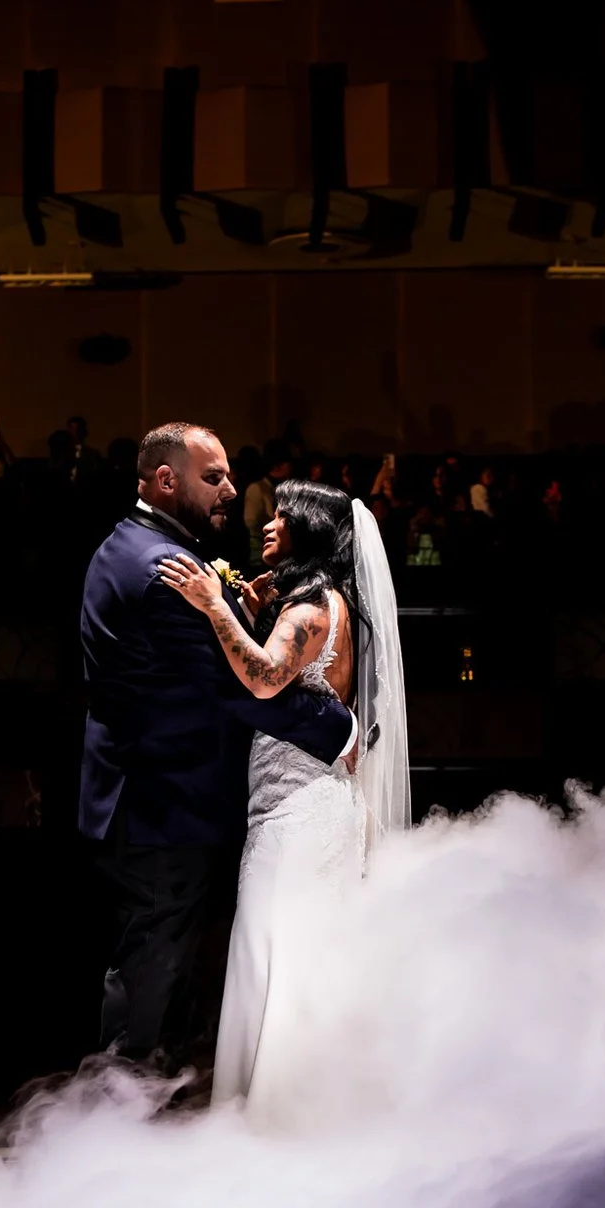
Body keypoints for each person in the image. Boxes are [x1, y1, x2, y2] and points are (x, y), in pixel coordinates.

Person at [76, 423, 358, 1077]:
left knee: (163, 976)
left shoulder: (133, 545)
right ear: (166, 479)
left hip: (149, 797)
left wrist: (235, 607)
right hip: (162, 807)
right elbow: (240, 690)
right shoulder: (163, 570)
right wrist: (335, 729)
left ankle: (133, 1121)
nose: (232, 490)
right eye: (215, 478)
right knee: (147, 989)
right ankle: (105, 1136)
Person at [157, 478, 409, 1118]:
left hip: (301, 813)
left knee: (281, 954)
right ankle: (299, 1109)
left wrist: (215, 607)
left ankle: (284, 1117)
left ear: (310, 531)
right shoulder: (322, 601)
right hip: (304, 805)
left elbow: (266, 679)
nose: (267, 525)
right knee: (293, 953)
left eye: (281, 517)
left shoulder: (312, 609)